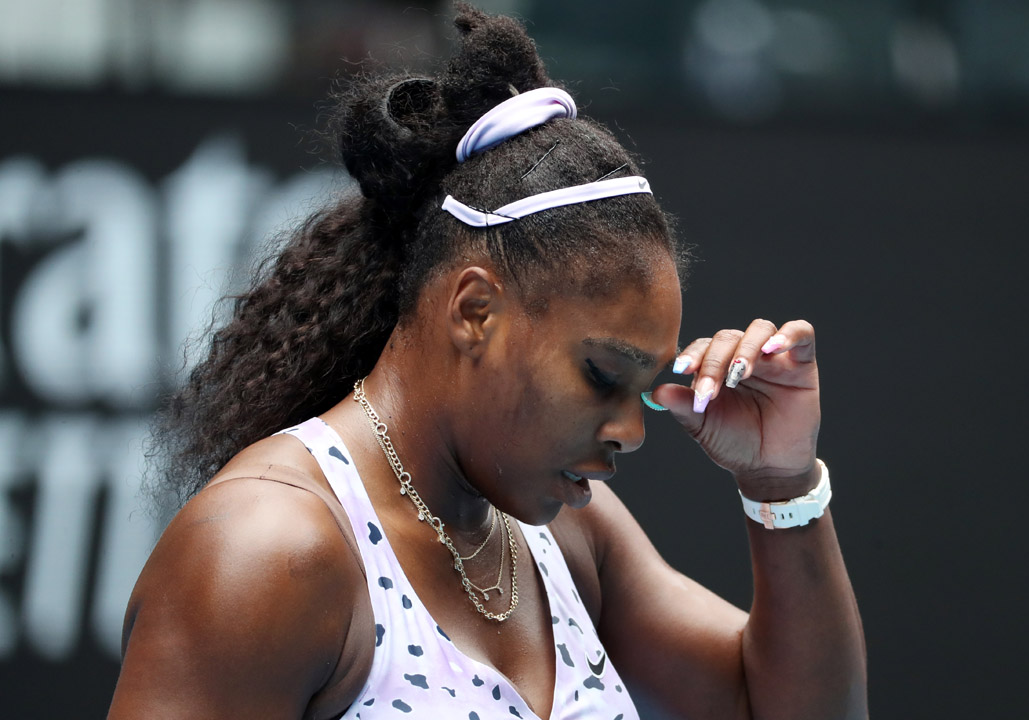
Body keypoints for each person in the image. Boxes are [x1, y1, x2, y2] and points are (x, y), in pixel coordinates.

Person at [107, 5, 867, 719]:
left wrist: (782, 483)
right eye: (604, 376)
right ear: (475, 311)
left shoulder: (571, 533)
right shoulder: (266, 548)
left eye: (643, 389)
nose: (631, 431)